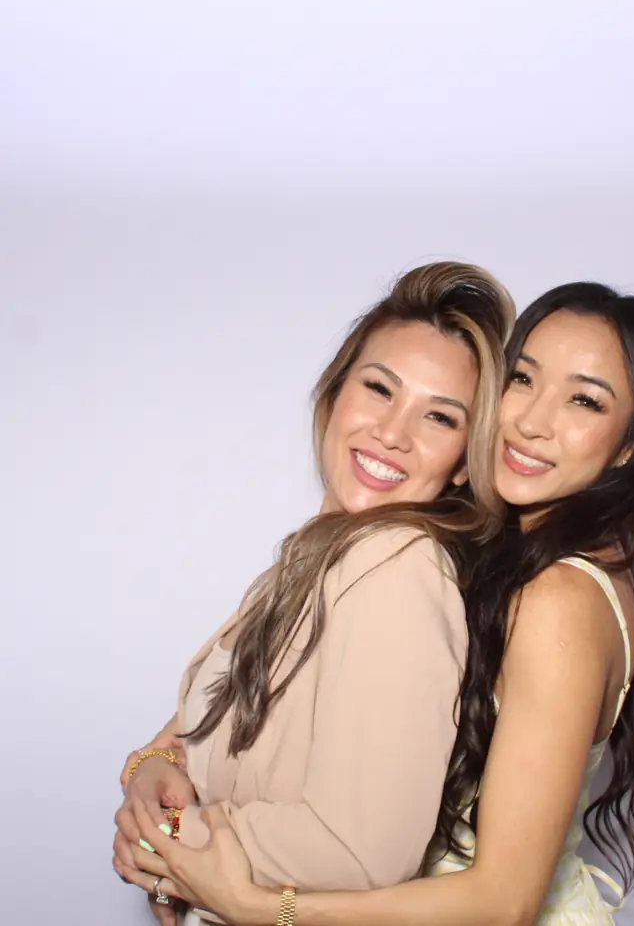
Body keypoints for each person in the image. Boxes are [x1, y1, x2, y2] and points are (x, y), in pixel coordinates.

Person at [121, 282, 634, 926]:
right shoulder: (484, 559)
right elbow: (212, 717)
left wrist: (258, 906)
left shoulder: (559, 597)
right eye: (524, 379)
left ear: (627, 447)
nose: (533, 421)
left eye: (585, 401)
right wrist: (153, 772)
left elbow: (505, 903)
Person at [112, 262, 516, 925]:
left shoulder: (398, 566)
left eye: (438, 417)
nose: (391, 431)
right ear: (335, 393)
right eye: (379, 387)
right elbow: (189, 737)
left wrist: (170, 841)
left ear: (465, 459)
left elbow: (362, 846)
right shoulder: (314, 556)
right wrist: (154, 780)